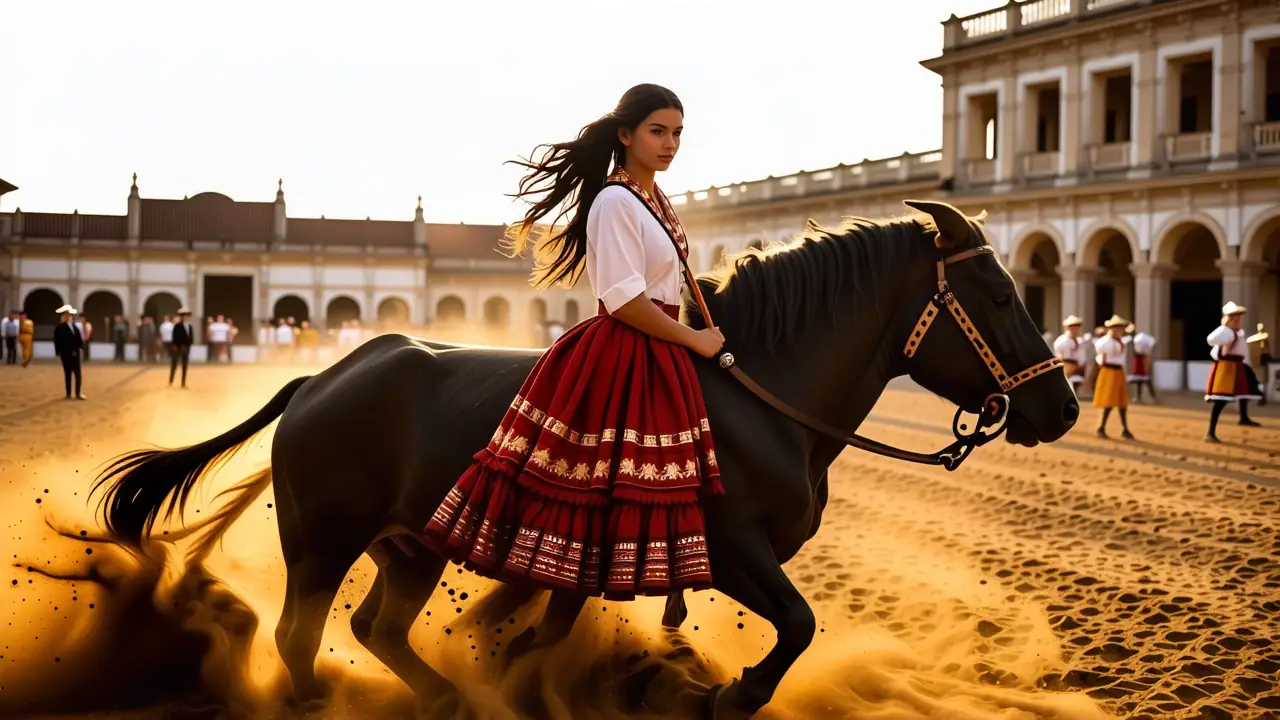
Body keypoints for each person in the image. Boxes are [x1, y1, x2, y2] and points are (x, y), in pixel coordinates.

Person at [421, 84, 726, 599]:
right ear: (625, 134)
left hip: (661, 347)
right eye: (657, 131)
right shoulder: (614, 200)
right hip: (627, 343)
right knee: (594, 481)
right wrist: (694, 341)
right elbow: (625, 300)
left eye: (677, 133)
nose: (670, 143)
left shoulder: (656, 199)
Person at [1205, 302, 1262, 442]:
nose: (1238, 319)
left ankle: (1243, 417)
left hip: (1237, 365)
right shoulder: (1226, 331)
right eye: (1235, 317)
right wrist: (1225, 335)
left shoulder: (1237, 333)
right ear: (1229, 318)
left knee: (1245, 393)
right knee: (1221, 400)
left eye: (1239, 317)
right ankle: (1210, 432)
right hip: (1227, 367)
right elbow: (1211, 340)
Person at [1093, 315, 1133, 439]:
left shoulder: (1120, 341)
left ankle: (1125, 428)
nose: (1120, 330)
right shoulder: (1105, 342)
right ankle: (1101, 426)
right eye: (1117, 328)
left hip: (1118, 371)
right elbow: (1102, 357)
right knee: (1108, 400)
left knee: (1122, 401)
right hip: (1109, 370)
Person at [52, 305, 86, 400]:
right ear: (63, 317)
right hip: (66, 353)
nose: (67, 317)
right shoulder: (59, 328)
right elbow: (57, 340)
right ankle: (68, 393)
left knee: (78, 374)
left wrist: (79, 348)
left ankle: (78, 393)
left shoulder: (75, 327)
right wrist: (58, 352)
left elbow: (79, 340)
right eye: (65, 315)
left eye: (69, 315)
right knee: (68, 374)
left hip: (76, 353)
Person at [1053, 315, 1089, 395]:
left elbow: (1081, 353)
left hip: (1077, 366)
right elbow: (1059, 354)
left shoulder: (1080, 340)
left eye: (1077, 327)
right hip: (1066, 365)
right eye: (1072, 327)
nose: (1075, 329)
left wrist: (1081, 364)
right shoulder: (1062, 340)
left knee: (1076, 384)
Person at [1124, 322, 1158, 403]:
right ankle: (1140, 397)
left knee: (1145, 379)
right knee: (1140, 380)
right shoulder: (1134, 339)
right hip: (1138, 358)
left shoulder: (1139, 338)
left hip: (1141, 358)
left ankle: (1152, 397)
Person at [170, 307, 194, 388]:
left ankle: (183, 382)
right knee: (174, 364)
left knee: (185, 365)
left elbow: (191, 336)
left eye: (187, 316)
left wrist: (190, 345)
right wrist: (174, 345)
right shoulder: (177, 326)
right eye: (184, 316)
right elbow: (174, 336)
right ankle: (171, 380)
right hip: (178, 347)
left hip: (186, 347)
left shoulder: (189, 326)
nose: (186, 317)